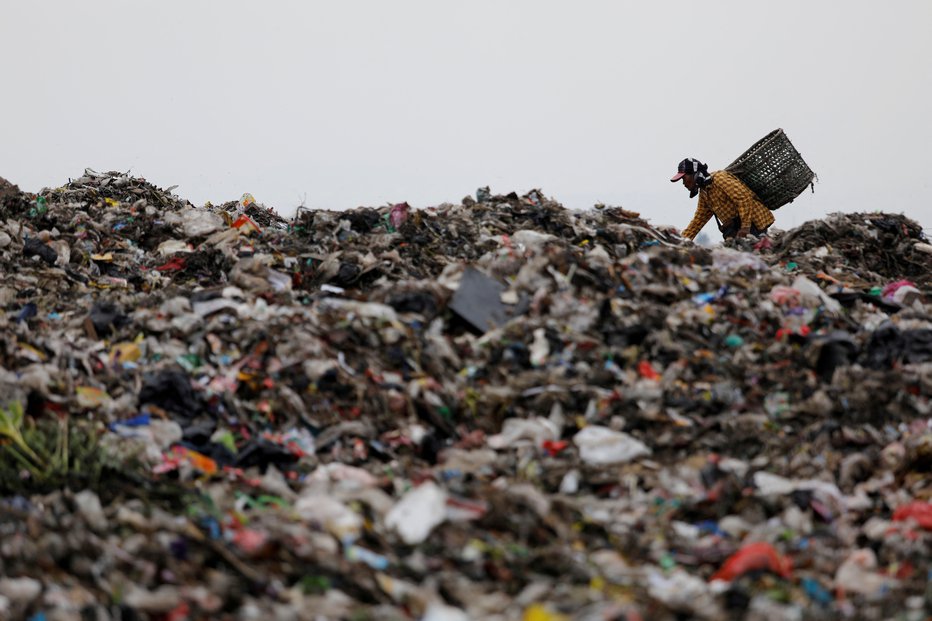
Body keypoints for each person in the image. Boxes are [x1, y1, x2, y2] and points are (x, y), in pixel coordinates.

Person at [671, 158, 774, 240]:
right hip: (739, 227)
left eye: (684, 178)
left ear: (695, 174)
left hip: (753, 223)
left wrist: (745, 227)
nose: (683, 183)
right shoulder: (704, 192)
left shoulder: (719, 179)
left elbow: (744, 199)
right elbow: (698, 220)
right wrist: (682, 240)